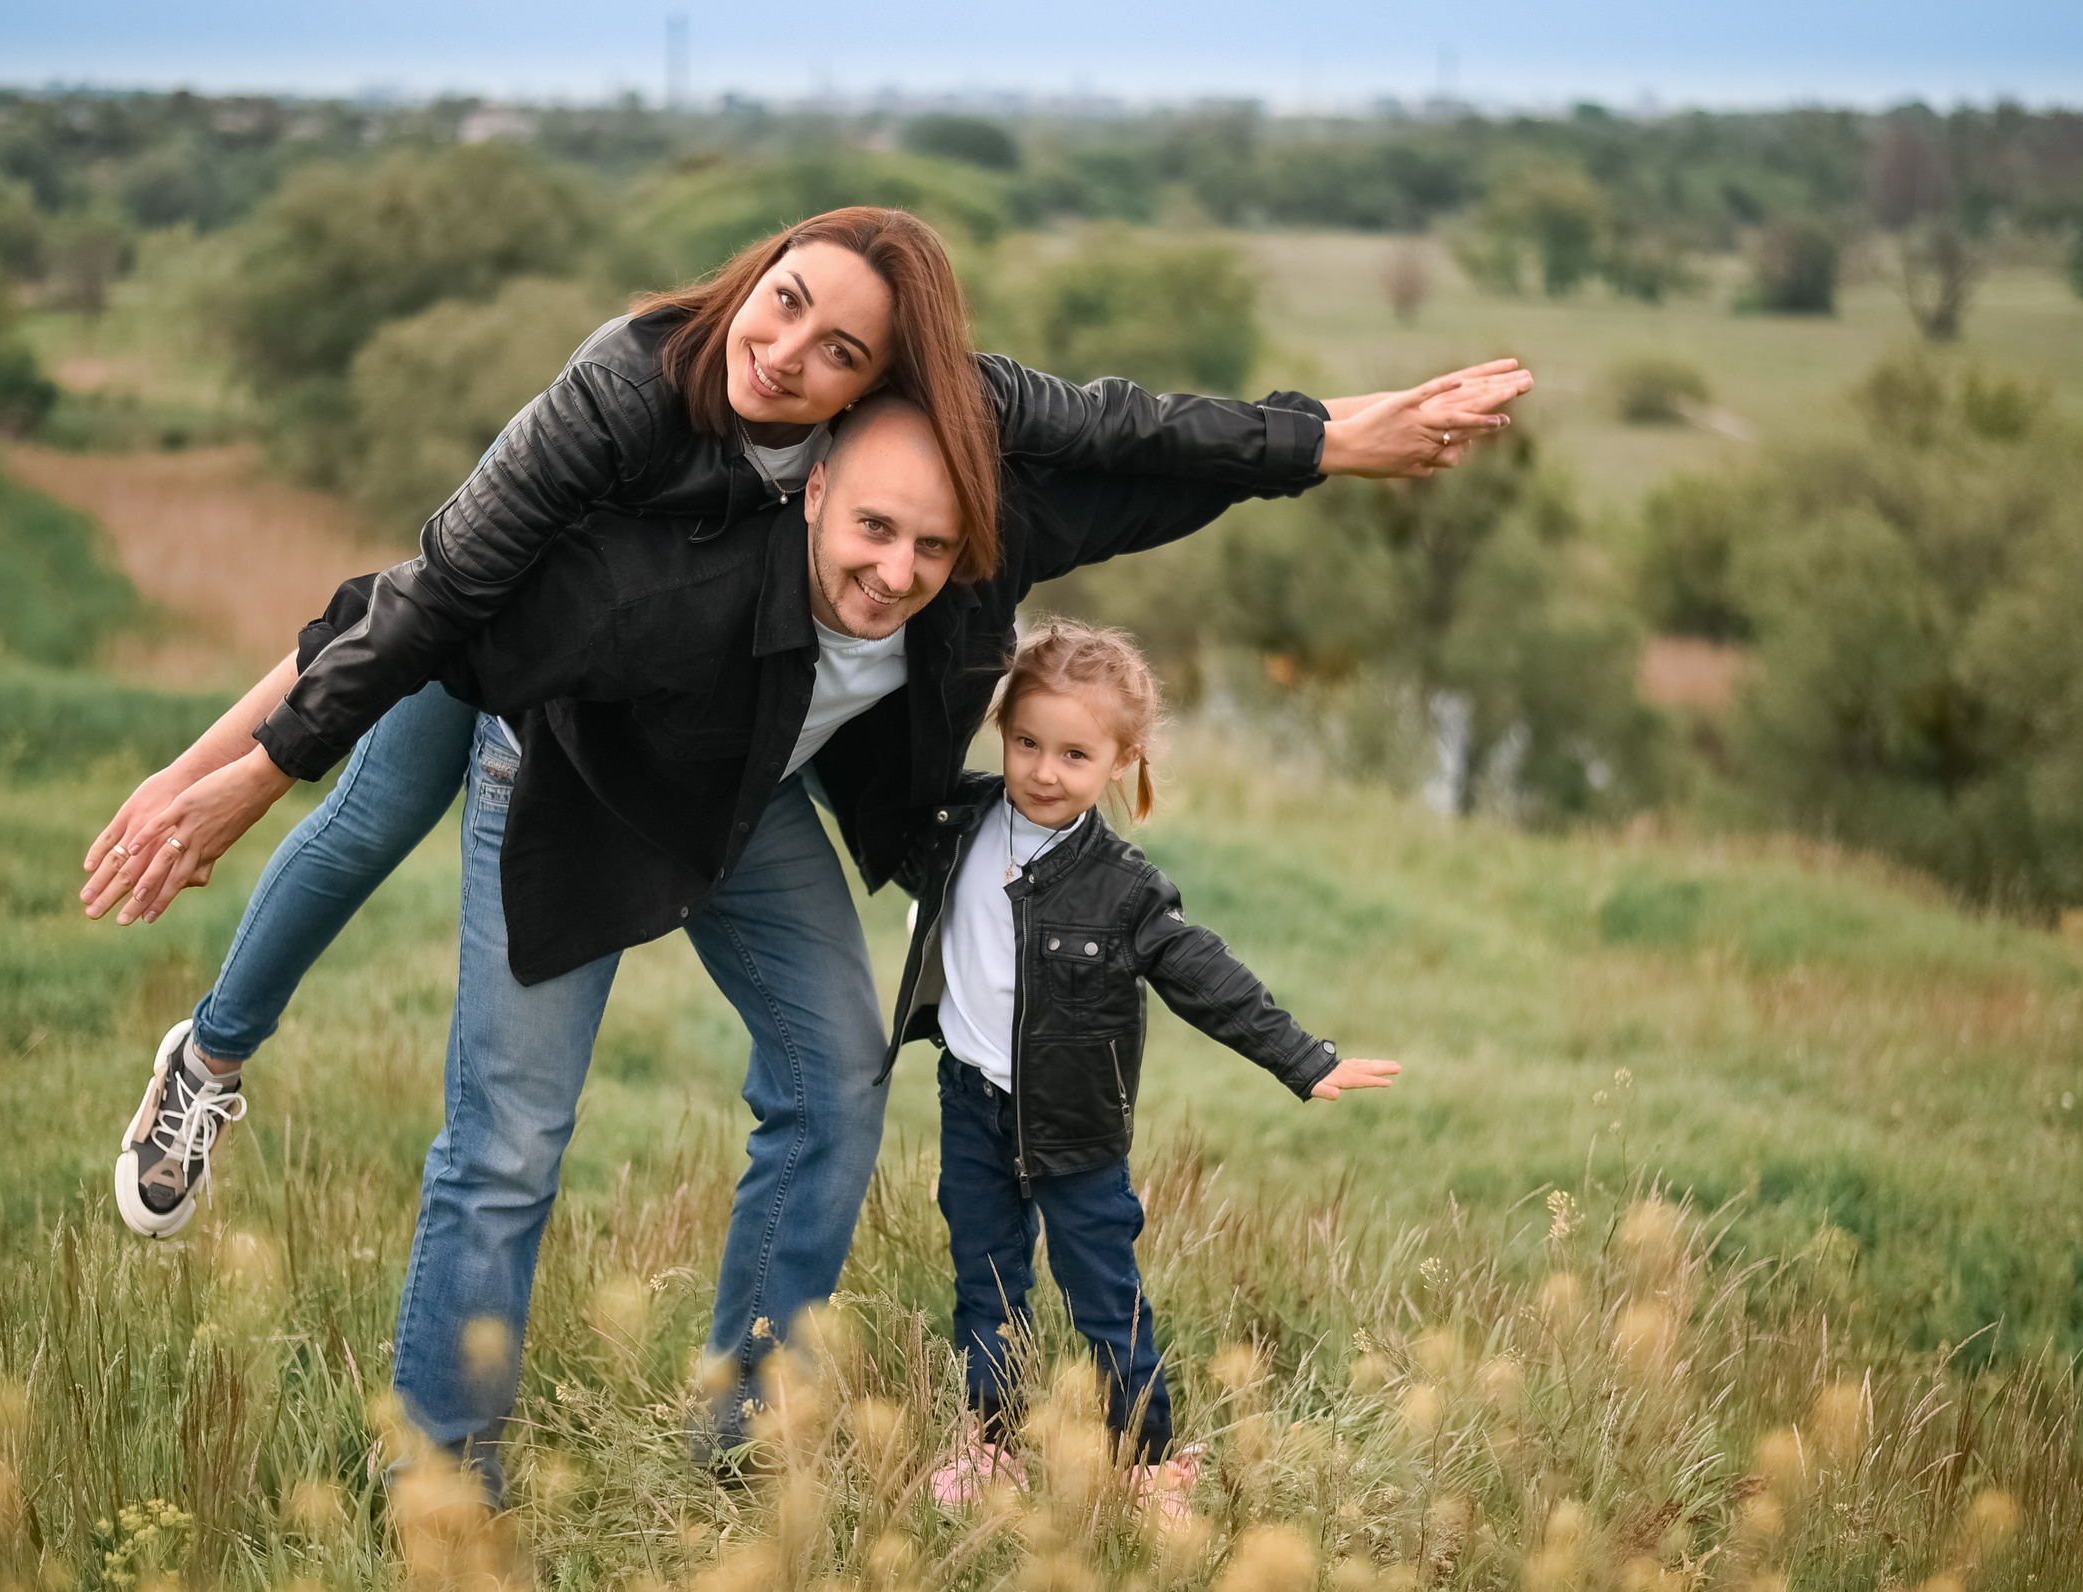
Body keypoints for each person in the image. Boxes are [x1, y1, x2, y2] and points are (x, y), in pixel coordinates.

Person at [80, 206, 1529, 1239]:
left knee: (795, 1047)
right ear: (757, 275)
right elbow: (436, 589)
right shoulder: (628, 386)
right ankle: (206, 1059)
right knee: (355, 825)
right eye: (786, 301)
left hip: (649, 712)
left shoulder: (920, 427)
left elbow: (1138, 434)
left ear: (878, 387)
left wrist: (1332, 439)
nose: (787, 353)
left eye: (841, 348)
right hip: (494, 623)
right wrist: (229, 767)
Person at [879, 618, 1396, 1521]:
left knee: (1103, 1297)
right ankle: (991, 1443)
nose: (1044, 770)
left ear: (1122, 760)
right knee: (986, 1283)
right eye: (1027, 742)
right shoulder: (955, 820)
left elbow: (1206, 976)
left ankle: (1145, 1464)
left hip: (1075, 1122)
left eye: (1075, 754)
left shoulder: (1123, 888)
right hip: (970, 1102)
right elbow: (883, 759)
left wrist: (1305, 1059)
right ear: (1000, 730)